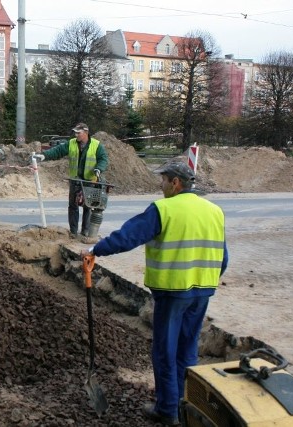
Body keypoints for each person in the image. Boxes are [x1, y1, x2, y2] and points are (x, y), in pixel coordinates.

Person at [81, 161, 228, 426]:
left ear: (175, 183)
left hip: (173, 293)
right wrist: (206, 281)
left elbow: (129, 237)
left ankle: (167, 409)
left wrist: (96, 250)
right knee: (188, 350)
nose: (160, 186)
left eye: (163, 180)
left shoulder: (164, 209)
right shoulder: (214, 211)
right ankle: (188, 407)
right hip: (203, 292)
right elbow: (223, 257)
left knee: (165, 352)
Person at [32, 122, 108, 237]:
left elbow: (103, 159)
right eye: (75, 132)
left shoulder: (97, 145)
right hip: (75, 180)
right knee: (73, 206)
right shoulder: (71, 143)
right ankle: (73, 232)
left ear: (86, 132)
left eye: (79, 133)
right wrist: (45, 155)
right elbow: (58, 151)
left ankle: (85, 231)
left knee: (87, 206)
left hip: (89, 181)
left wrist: (99, 169)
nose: (76, 135)